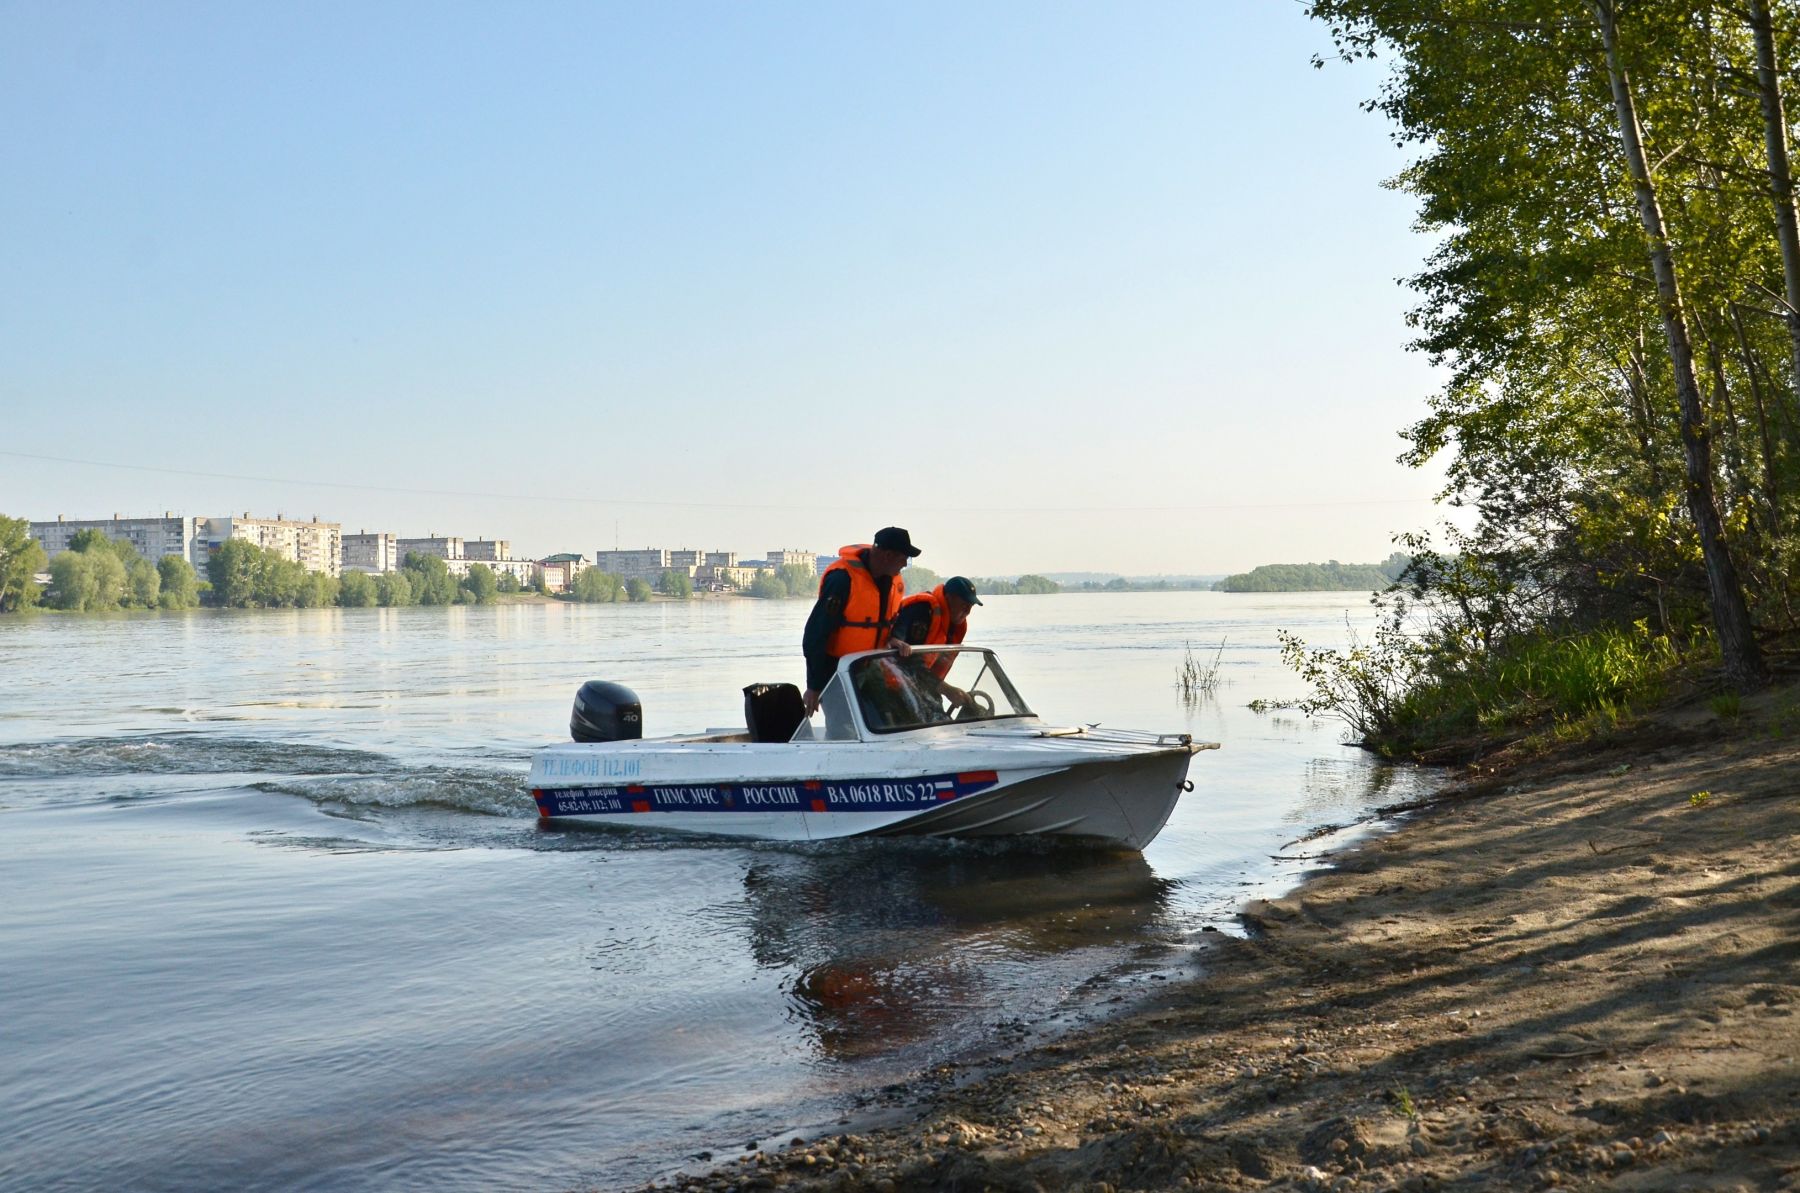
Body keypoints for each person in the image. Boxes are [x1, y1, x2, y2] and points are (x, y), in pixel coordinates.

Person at [801, 527, 919, 717]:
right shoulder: (842, 580)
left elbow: (886, 622)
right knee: (845, 726)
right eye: (903, 558)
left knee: (887, 718)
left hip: (870, 665)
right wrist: (814, 686)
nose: (905, 564)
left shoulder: (890, 581)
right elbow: (815, 635)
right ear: (888, 555)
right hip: (837, 671)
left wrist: (893, 638)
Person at [891, 575, 982, 708]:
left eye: (970, 607)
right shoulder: (922, 610)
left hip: (922, 686)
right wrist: (946, 690)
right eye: (964, 605)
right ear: (949, 598)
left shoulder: (953, 625)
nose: (967, 612)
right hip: (895, 689)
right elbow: (906, 658)